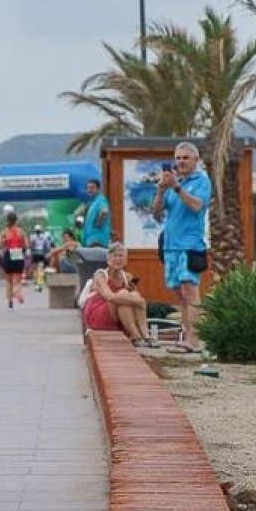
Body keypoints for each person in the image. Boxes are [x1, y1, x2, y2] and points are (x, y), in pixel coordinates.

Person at [152, 141, 212, 354]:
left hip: (189, 246)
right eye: (178, 158)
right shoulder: (171, 184)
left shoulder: (201, 181)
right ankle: (186, 338)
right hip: (170, 247)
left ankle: (194, 341)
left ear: (195, 160)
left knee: (190, 292)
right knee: (179, 295)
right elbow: (157, 214)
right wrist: (161, 191)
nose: (181, 161)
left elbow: (197, 206)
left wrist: (177, 187)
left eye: (185, 158)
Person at [80, 242, 153, 347]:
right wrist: (138, 301)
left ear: (126, 260)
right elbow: (109, 297)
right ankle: (136, 336)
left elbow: (135, 302)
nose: (118, 259)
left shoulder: (127, 277)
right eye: (115, 256)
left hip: (119, 315)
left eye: (121, 256)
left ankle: (145, 336)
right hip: (98, 315)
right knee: (125, 295)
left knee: (132, 297)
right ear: (108, 259)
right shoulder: (100, 275)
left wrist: (137, 299)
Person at [0, 211, 28, 308]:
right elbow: (26, 245)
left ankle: (10, 300)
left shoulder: (3, 232)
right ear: (16, 220)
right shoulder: (21, 231)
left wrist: (4, 242)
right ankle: (17, 292)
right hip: (18, 253)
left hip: (8, 254)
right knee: (17, 280)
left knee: (9, 280)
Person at [82, 179, 111, 247]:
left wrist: (98, 223)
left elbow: (104, 211)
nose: (89, 190)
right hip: (91, 239)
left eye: (92, 187)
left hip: (96, 240)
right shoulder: (94, 202)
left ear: (98, 189)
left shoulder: (100, 199)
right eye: (88, 188)